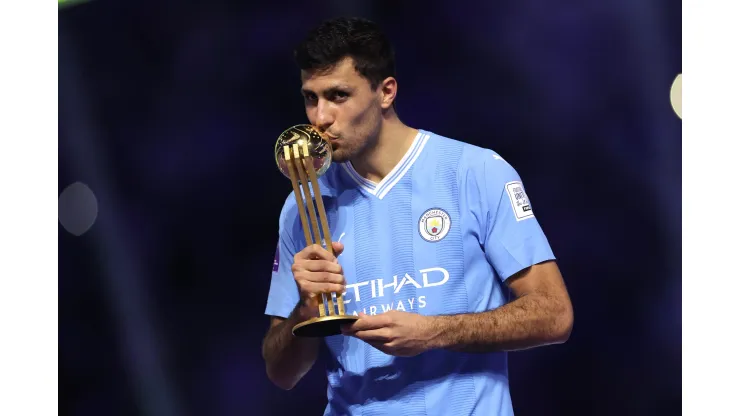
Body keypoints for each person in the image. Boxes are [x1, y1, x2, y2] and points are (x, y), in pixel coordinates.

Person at [261, 16, 573, 416]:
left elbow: (554, 314)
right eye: (310, 97)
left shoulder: (475, 172)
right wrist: (306, 309)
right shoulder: (303, 205)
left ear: (385, 92)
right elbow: (281, 372)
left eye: (338, 96)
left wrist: (432, 332)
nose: (320, 118)